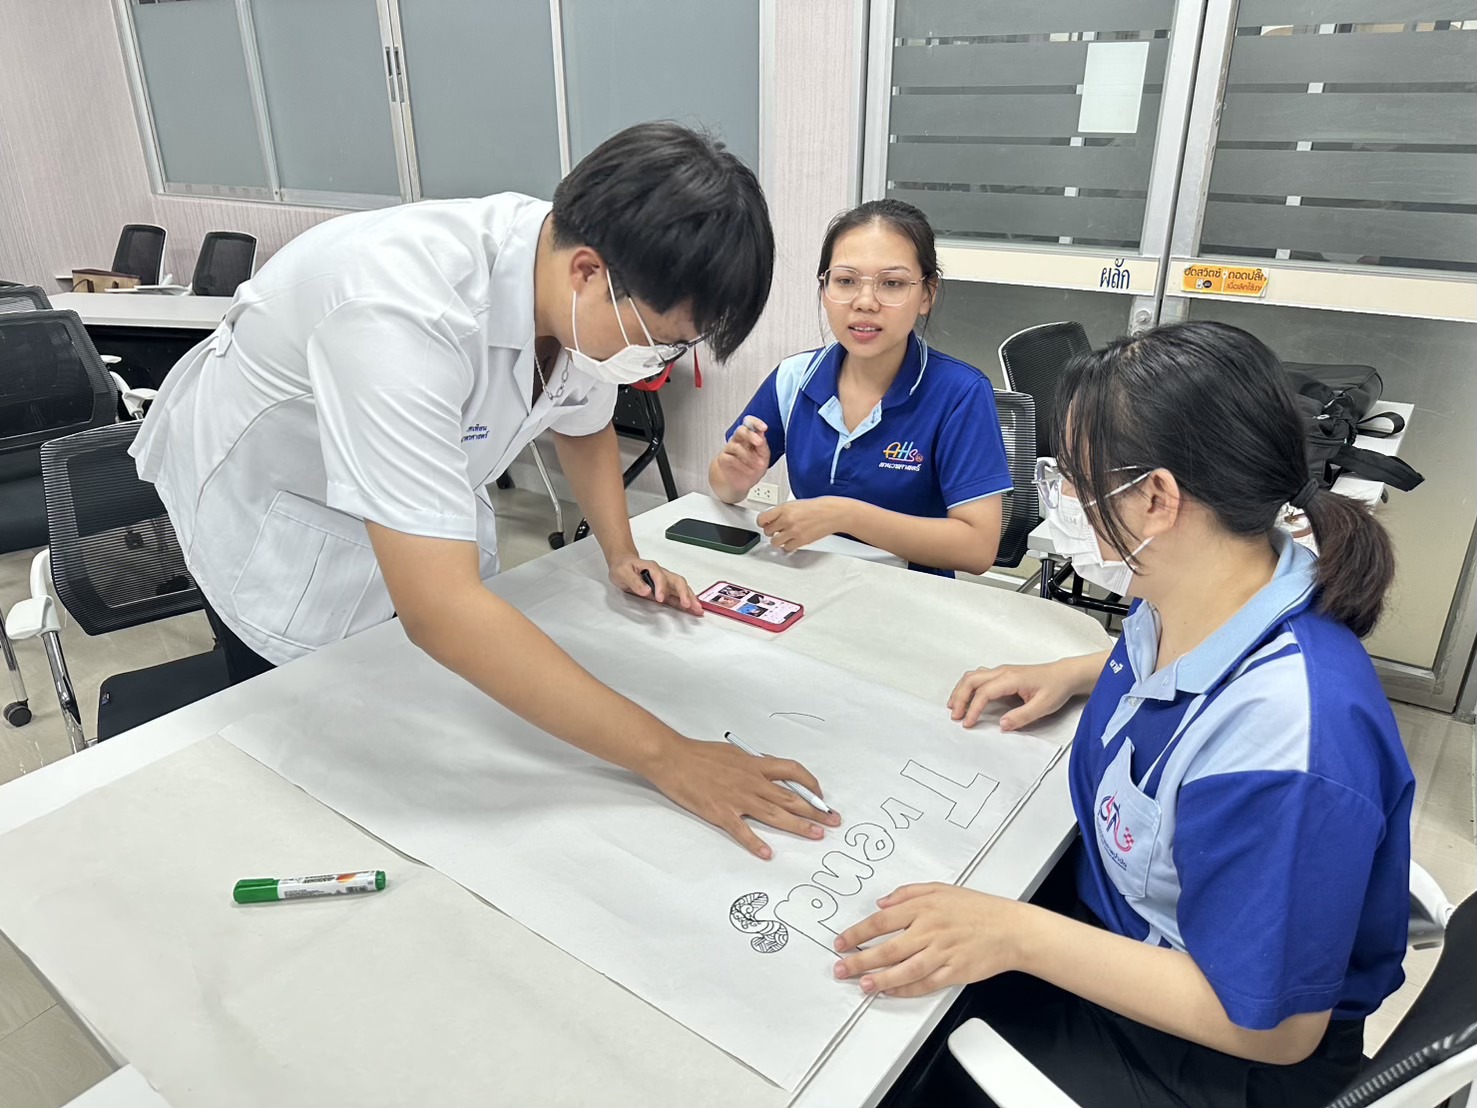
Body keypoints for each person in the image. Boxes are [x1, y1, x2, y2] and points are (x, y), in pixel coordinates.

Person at [130, 122, 840, 859]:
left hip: (409, 491)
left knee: (432, 701)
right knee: (311, 762)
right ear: (589, 272)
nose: (658, 360)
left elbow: (583, 417)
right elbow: (439, 611)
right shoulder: (398, 312)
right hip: (273, 507)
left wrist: (619, 550)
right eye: (660, 339)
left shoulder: (566, 280)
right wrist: (671, 757)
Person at [833, 322, 1414, 1108]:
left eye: (1073, 478)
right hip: (1123, 926)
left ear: (1157, 498)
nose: (1062, 500)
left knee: (892, 1062)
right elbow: (1173, 666)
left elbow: (1273, 1030)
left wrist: (1015, 935)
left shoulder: (1285, 745)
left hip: (1208, 1050)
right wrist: (1075, 672)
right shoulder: (1201, 578)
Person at [708, 199, 1011, 575]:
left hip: (907, 595)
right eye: (846, 281)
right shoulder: (794, 377)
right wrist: (734, 478)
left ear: (927, 294)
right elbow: (724, 486)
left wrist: (845, 515)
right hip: (807, 582)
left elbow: (977, 549)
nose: (865, 302)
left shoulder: (960, 394)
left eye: (892, 283)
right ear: (824, 288)